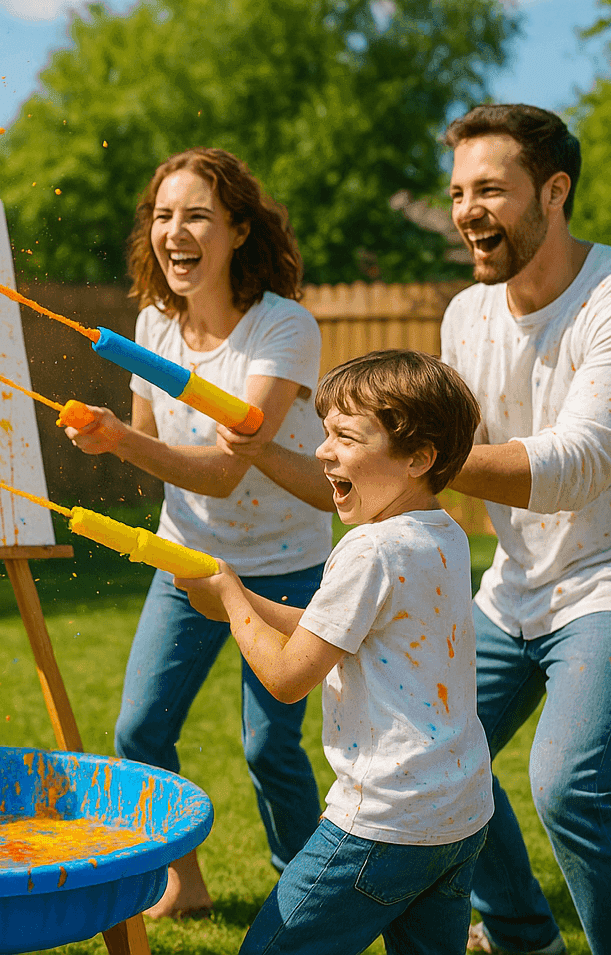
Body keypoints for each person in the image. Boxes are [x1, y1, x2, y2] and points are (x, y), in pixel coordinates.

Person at [438, 105, 611, 955]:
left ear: (555, 189)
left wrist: (411, 456)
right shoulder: (466, 317)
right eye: (460, 190)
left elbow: (573, 466)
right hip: (514, 585)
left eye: (491, 189)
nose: (468, 209)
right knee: (429, 743)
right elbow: (443, 467)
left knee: (569, 785)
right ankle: (519, 931)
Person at [65, 147, 331, 916]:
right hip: (186, 558)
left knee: (270, 746)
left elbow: (225, 467)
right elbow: (158, 441)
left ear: (240, 230)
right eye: (162, 215)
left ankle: (305, 897)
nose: (174, 232)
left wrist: (120, 438)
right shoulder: (152, 325)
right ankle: (183, 884)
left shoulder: (284, 328)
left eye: (197, 217)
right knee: (140, 729)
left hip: (286, 563)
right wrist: (113, 435)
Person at [178, 348, 491, 955]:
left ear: (418, 459)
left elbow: (289, 678)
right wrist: (240, 595)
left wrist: (231, 602)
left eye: (345, 437)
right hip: (458, 815)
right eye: (326, 434)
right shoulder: (443, 533)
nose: (322, 451)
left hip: (383, 822)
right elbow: (336, 627)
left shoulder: (370, 549)